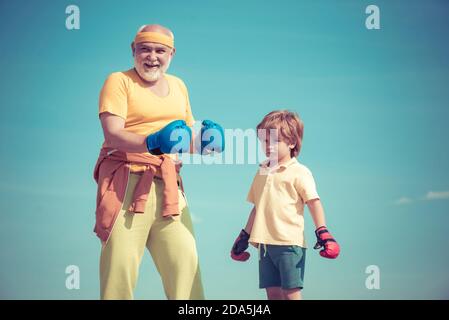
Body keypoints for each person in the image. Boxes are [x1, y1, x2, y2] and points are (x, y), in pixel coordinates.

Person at [93, 24, 223, 300]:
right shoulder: (119, 81)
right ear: (133, 50)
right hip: (126, 183)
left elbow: (179, 140)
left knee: (185, 265)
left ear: (172, 54)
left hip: (169, 186)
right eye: (145, 49)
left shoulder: (178, 86)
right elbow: (113, 133)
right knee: (120, 269)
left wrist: (204, 145)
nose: (152, 56)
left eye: (160, 50)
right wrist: (152, 141)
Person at [230, 110, 340, 300]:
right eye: (264, 141)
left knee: (291, 293)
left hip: (288, 242)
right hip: (264, 244)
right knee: (272, 294)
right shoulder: (262, 171)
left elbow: (314, 202)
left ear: (291, 142)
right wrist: (244, 236)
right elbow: (258, 208)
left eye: (275, 141)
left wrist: (323, 231)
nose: (268, 146)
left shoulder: (299, 172)